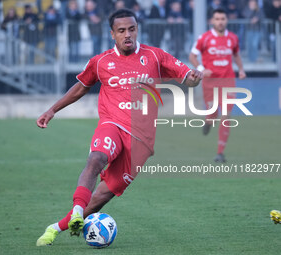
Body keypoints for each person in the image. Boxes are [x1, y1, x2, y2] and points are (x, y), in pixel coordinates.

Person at [36, 8, 202, 246]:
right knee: (95, 159)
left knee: (103, 195)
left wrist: (193, 80)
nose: (127, 35)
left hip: (141, 142)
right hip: (112, 124)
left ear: (137, 30)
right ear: (112, 33)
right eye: (121, 30)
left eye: (132, 29)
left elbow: (186, 75)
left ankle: (55, 227)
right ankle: (76, 210)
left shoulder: (155, 56)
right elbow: (81, 87)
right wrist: (52, 110)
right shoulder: (101, 61)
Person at [189, 8, 246, 163]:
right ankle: (209, 121)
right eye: (217, 19)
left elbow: (236, 54)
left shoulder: (233, 38)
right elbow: (192, 55)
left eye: (223, 18)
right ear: (212, 21)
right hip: (210, 83)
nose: (220, 21)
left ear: (226, 20)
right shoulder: (204, 38)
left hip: (228, 81)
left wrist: (241, 69)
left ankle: (220, 152)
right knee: (213, 114)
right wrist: (201, 69)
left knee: (226, 115)